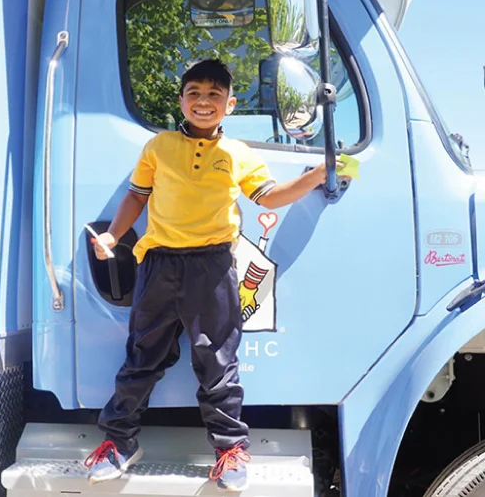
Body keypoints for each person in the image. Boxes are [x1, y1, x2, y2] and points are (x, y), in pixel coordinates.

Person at [85, 59, 341, 491]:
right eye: (195, 93)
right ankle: (119, 442)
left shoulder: (238, 153)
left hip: (214, 265)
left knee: (217, 360)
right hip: (159, 263)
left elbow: (271, 196)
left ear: (230, 105)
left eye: (214, 95)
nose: (203, 102)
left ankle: (229, 451)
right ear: (182, 100)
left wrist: (315, 176)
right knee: (142, 356)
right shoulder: (159, 146)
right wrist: (113, 235)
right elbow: (136, 196)